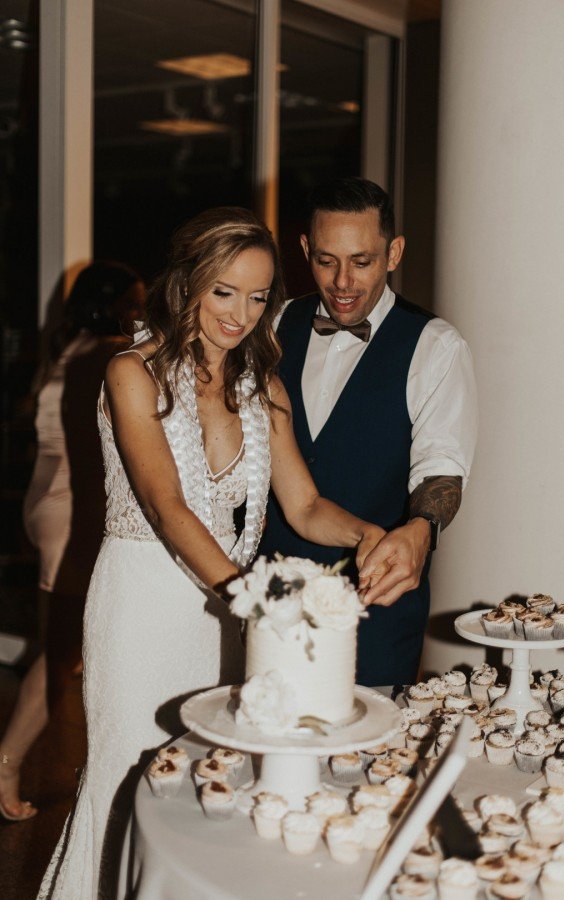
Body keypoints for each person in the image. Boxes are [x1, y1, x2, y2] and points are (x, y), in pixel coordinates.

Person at [38, 208, 386, 899]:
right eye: (224, 291)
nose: (241, 314)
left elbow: (305, 507)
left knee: (207, 776)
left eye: (258, 297)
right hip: (143, 601)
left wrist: (369, 535)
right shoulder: (132, 372)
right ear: (189, 283)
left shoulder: (265, 388)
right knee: (131, 773)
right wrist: (252, 601)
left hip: (226, 607)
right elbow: (167, 507)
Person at [259, 177, 477, 693]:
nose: (342, 282)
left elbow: (441, 466)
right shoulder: (273, 324)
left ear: (394, 253)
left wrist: (422, 527)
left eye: (362, 261)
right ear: (305, 250)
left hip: (375, 603)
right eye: (326, 261)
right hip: (269, 595)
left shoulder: (436, 345)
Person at [0, 262, 144, 823]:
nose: (140, 311)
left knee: (67, 643)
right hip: (70, 507)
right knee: (62, 651)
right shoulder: (109, 353)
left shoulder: (69, 348)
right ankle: (8, 760)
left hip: (45, 500)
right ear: (113, 306)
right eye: (135, 301)